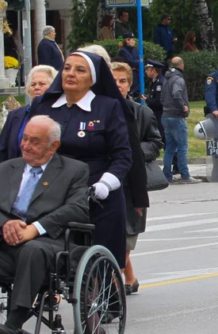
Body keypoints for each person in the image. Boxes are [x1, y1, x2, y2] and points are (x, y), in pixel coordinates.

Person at [0, 116, 90, 334]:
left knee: (32, 249)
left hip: (50, 247)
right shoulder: (4, 170)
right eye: (24, 139)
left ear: (53, 146)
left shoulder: (74, 170)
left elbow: (77, 209)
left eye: (35, 142)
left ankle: (13, 325)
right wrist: (5, 224)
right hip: (5, 245)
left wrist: (35, 229)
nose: (26, 145)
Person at [28, 50, 147, 269]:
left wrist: (106, 183)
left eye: (79, 70)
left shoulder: (108, 107)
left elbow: (123, 155)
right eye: (67, 68)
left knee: (100, 264)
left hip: (97, 192)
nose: (70, 74)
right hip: (52, 190)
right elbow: (29, 148)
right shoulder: (43, 106)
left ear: (93, 78)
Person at [112, 62, 162, 295]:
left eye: (122, 81)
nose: (118, 85)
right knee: (111, 236)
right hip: (104, 183)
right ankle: (128, 278)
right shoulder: (96, 111)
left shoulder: (142, 112)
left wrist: (132, 151)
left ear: (129, 85)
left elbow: (155, 143)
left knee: (126, 237)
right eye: (113, 80)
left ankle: (112, 285)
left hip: (131, 185)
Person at [0, 66, 58, 195]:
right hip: (15, 181)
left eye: (42, 84)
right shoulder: (16, 115)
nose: (36, 87)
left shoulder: (60, 114)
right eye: (33, 84)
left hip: (50, 183)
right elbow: (0, 151)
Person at [161, 56, 197, 184]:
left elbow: (162, 97)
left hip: (165, 115)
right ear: (182, 65)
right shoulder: (178, 79)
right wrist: (183, 106)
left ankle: (167, 175)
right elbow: (177, 94)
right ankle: (185, 175)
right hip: (176, 116)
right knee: (182, 147)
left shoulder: (166, 79)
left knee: (170, 148)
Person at [144, 59, 167, 139]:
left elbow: (159, 102)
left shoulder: (159, 82)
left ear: (153, 70)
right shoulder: (156, 81)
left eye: (147, 70)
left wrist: (146, 100)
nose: (146, 72)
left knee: (162, 137)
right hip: (157, 114)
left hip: (160, 115)